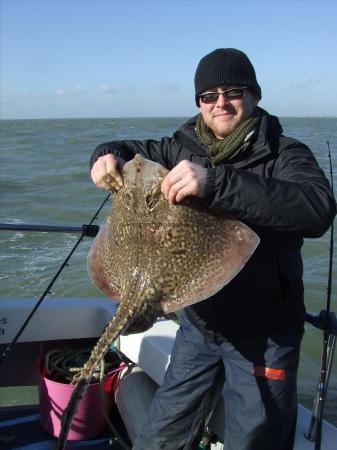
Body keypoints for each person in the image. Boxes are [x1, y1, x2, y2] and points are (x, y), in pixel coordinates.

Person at [90, 48, 336, 450]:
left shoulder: (284, 153)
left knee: (254, 441)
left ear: (254, 95)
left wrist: (215, 183)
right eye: (209, 95)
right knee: (160, 436)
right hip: (198, 325)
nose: (220, 102)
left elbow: (317, 209)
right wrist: (104, 156)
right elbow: (123, 150)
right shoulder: (179, 146)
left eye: (233, 91)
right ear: (199, 103)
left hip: (265, 333)